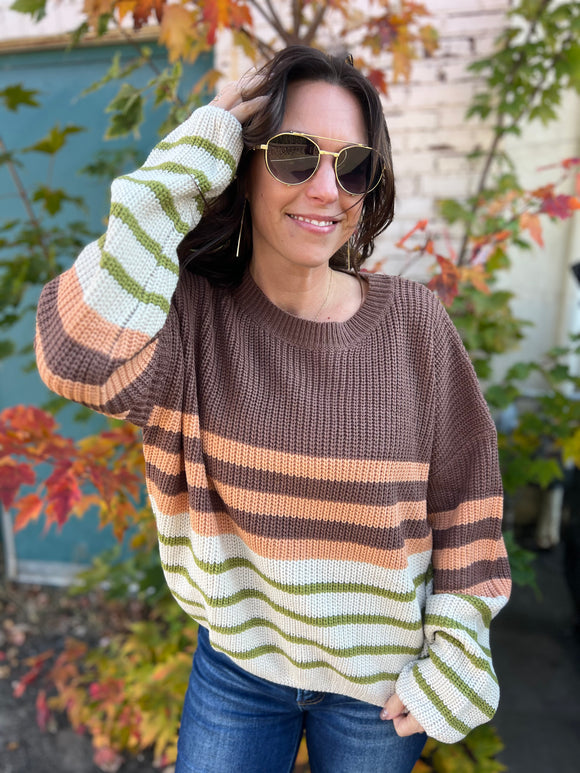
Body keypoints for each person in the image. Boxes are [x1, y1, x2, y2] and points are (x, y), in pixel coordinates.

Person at [35, 46, 511, 773]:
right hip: (239, 672)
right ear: (242, 167)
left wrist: (457, 647)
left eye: (353, 166)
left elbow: (466, 496)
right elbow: (75, 359)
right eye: (294, 155)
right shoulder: (189, 322)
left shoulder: (414, 325)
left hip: (380, 691)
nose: (326, 188)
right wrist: (186, 163)